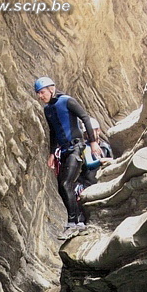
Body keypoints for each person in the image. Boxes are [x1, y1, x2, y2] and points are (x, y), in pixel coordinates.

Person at [34, 76, 103, 239]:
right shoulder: (47, 110)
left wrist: (92, 142)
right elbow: (52, 132)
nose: (40, 96)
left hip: (77, 147)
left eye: (42, 92)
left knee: (66, 183)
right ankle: (78, 222)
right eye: (38, 94)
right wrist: (52, 153)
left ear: (51, 89)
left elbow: (85, 118)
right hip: (64, 150)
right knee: (62, 187)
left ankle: (73, 223)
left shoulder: (67, 101)